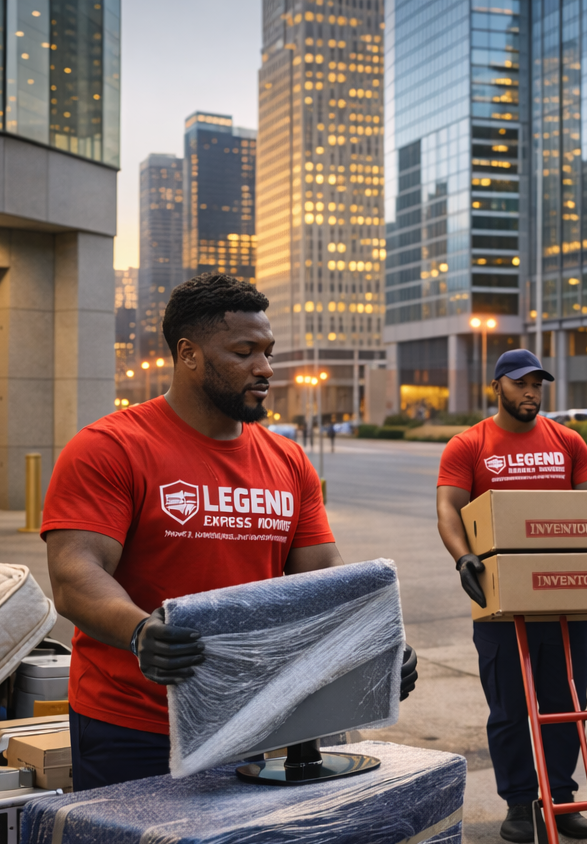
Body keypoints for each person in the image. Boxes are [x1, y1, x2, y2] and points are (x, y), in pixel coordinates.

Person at [43, 274, 417, 790]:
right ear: (189, 354)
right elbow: (75, 573)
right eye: (244, 352)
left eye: (268, 352)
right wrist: (139, 631)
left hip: (256, 718)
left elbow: (323, 575)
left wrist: (373, 646)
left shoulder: (287, 460)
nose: (264, 369)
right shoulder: (110, 448)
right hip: (133, 724)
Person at [435, 348, 587, 844]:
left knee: (566, 702)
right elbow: (449, 507)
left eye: (537, 384)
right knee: (509, 707)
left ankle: (561, 797)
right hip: (499, 600)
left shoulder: (568, 442)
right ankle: (520, 801)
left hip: (565, 598)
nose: (530, 392)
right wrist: (463, 555)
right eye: (520, 383)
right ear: (497, 386)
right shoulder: (469, 445)